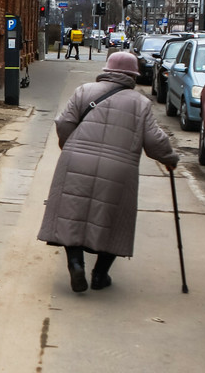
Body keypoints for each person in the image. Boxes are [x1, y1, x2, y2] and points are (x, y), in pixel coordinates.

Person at [37, 51, 180, 292]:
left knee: (70, 212)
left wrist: (70, 146)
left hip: (76, 161)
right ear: (133, 75)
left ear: (107, 70)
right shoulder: (141, 103)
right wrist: (170, 159)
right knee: (113, 219)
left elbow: (63, 123)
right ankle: (100, 275)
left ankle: (75, 263)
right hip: (119, 169)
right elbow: (154, 140)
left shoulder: (84, 91)